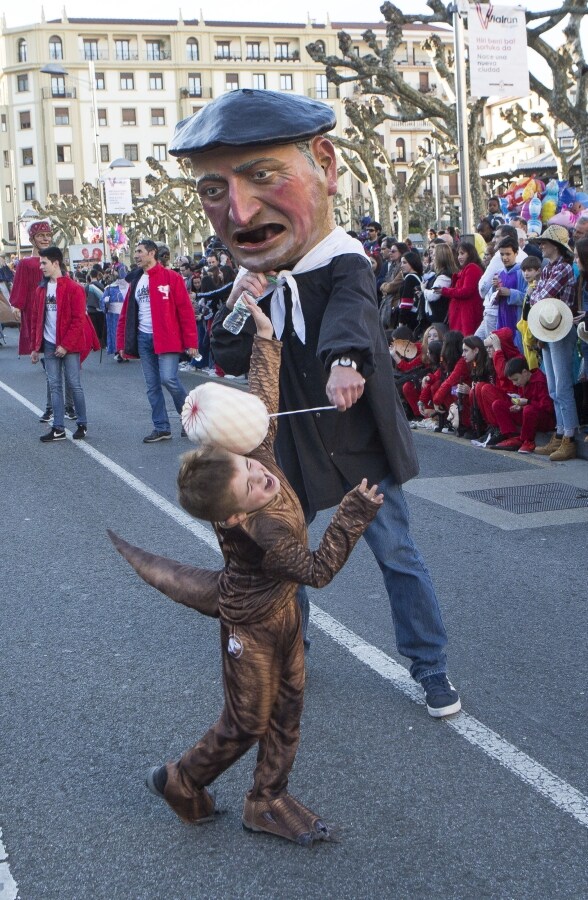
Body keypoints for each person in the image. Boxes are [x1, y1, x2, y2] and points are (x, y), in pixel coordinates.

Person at [171, 88, 461, 717]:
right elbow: (224, 355)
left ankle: (431, 667)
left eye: (263, 175)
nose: (240, 209)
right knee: (281, 559)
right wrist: (236, 302)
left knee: (397, 555)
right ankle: (289, 648)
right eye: (215, 189)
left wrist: (347, 363)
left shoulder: (342, 260)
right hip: (289, 449)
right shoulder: (263, 270)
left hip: (357, 443)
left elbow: (353, 313)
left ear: (326, 167)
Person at [109, 297, 383, 845]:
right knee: (247, 721)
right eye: (255, 484)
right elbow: (319, 568)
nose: (265, 476)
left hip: (282, 615)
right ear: (234, 514)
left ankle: (267, 799)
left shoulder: (250, 464)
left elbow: (259, 406)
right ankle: (179, 779)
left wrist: (265, 336)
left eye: (254, 465)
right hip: (249, 626)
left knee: (288, 709)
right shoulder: (264, 533)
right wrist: (354, 511)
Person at [116, 239, 199, 443]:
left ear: (152, 253)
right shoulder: (135, 281)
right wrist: (121, 344)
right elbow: (125, 315)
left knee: (168, 378)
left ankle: (190, 419)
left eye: (139, 251)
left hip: (167, 338)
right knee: (152, 385)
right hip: (144, 338)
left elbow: (185, 311)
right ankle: (161, 427)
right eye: (135, 252)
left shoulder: (171, 277)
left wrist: (192, 342)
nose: (135, 255)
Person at [29, 246, 89, 442]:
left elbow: (78, 320)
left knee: (74, 384)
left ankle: (82, 424)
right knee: (54, 385)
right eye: (40, 262)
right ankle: (58, 428)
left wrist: (66, 345)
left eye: (44, 263)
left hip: (69, 346)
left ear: (56, 263)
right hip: (48, 344)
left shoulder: (74, 288)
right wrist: (35, 347)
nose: (41, 267)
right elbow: (37, 319)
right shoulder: (41, 289)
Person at [528, 225, 578, 461]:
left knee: (562, 384)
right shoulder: (549, 268)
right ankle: (560, 433)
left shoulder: (563, 268)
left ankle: (569, 435)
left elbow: (539, 296)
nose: (541, 246)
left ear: (555, 246)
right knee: (553, 386)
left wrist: (536, 292)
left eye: (544, 242)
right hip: (549, 329)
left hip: (560, 329)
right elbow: (536, 296)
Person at [486, 356, 555, 453]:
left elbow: (548, 407)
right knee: (498, 405)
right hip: (527, 415)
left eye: (516, 379)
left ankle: (528, 441)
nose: (514, 383)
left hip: (544, 420)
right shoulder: (523, 382)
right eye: (512, 381)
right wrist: (520, 406)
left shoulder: (540, 381)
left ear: (525, 372)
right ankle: (511, 436)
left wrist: (527, 402)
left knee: (528, 409)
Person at [440, 242, 484, 336]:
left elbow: (466, 291)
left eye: (462, 253)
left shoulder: (472, 268)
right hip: (461, 316)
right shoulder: (464, 270)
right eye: (458, 254)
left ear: (470, 254)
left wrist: (445, 290)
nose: (459, 257)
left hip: (466, 317)